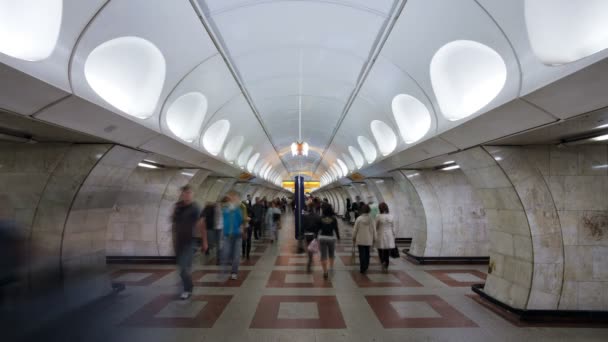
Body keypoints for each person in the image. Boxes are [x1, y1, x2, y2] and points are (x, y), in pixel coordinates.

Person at [171, 185, 206, 299]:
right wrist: (173, 240)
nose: (187, 195)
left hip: (190, 242)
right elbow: (174, 224)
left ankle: (187, 289)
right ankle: (188, 286)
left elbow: (201, 225)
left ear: (192, 194)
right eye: (185, 193)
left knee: (184, 268)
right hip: (179, 242)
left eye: (189, 193)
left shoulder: (196, 208)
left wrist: (204, 241)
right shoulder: (178, 207)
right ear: (182, 194)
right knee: (182, 267)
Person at [221, 192, 244, 280]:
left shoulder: (238, 209)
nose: (233, 199)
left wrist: (235, 210)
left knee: (236, 255)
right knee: (226, 253)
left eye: (234, 198)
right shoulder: (225, 209)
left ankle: (234, 272)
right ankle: (225, 269)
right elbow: (224, 220)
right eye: (231, 197)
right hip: (227, 235)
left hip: (237, 235)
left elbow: (240, 221)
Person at [317, 204, 340, 279]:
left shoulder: (320, 218)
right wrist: (338, 237)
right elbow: (336, 229)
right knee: (331, 254)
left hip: (322, 238)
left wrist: (315, 237)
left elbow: (318, 228)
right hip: (331, 238)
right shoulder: (334, 219)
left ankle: (325, 272)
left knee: (323, 255)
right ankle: (331, 268)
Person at [353, 204, 375, 274]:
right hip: (368, 239)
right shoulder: (371, 219)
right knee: (367, 253)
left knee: (361, 253)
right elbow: (374, 230)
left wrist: (353, 237)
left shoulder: (359, 219)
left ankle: (362, 267)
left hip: (360, 239)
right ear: (369, 210)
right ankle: (366, 265)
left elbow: (355, 229)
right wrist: (375, 238)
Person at [375, 202, 396, 272]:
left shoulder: (378, 216)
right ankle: (386, 264)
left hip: (381, 234)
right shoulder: (391, 216)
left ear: (380, 209)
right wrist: (394, 235)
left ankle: (382, 261)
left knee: (380, 249)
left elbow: (376, 226)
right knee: (387, 251)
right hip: (389, 235)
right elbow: (393, 227)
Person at [302, 204, 321, 272]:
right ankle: (310, 260)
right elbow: (319, 226)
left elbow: (303, 226)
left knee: (308, 247)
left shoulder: (305, 216)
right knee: (311, 248)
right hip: (314, 235)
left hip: (307, 234)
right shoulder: (318, 216)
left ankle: (310, 258)